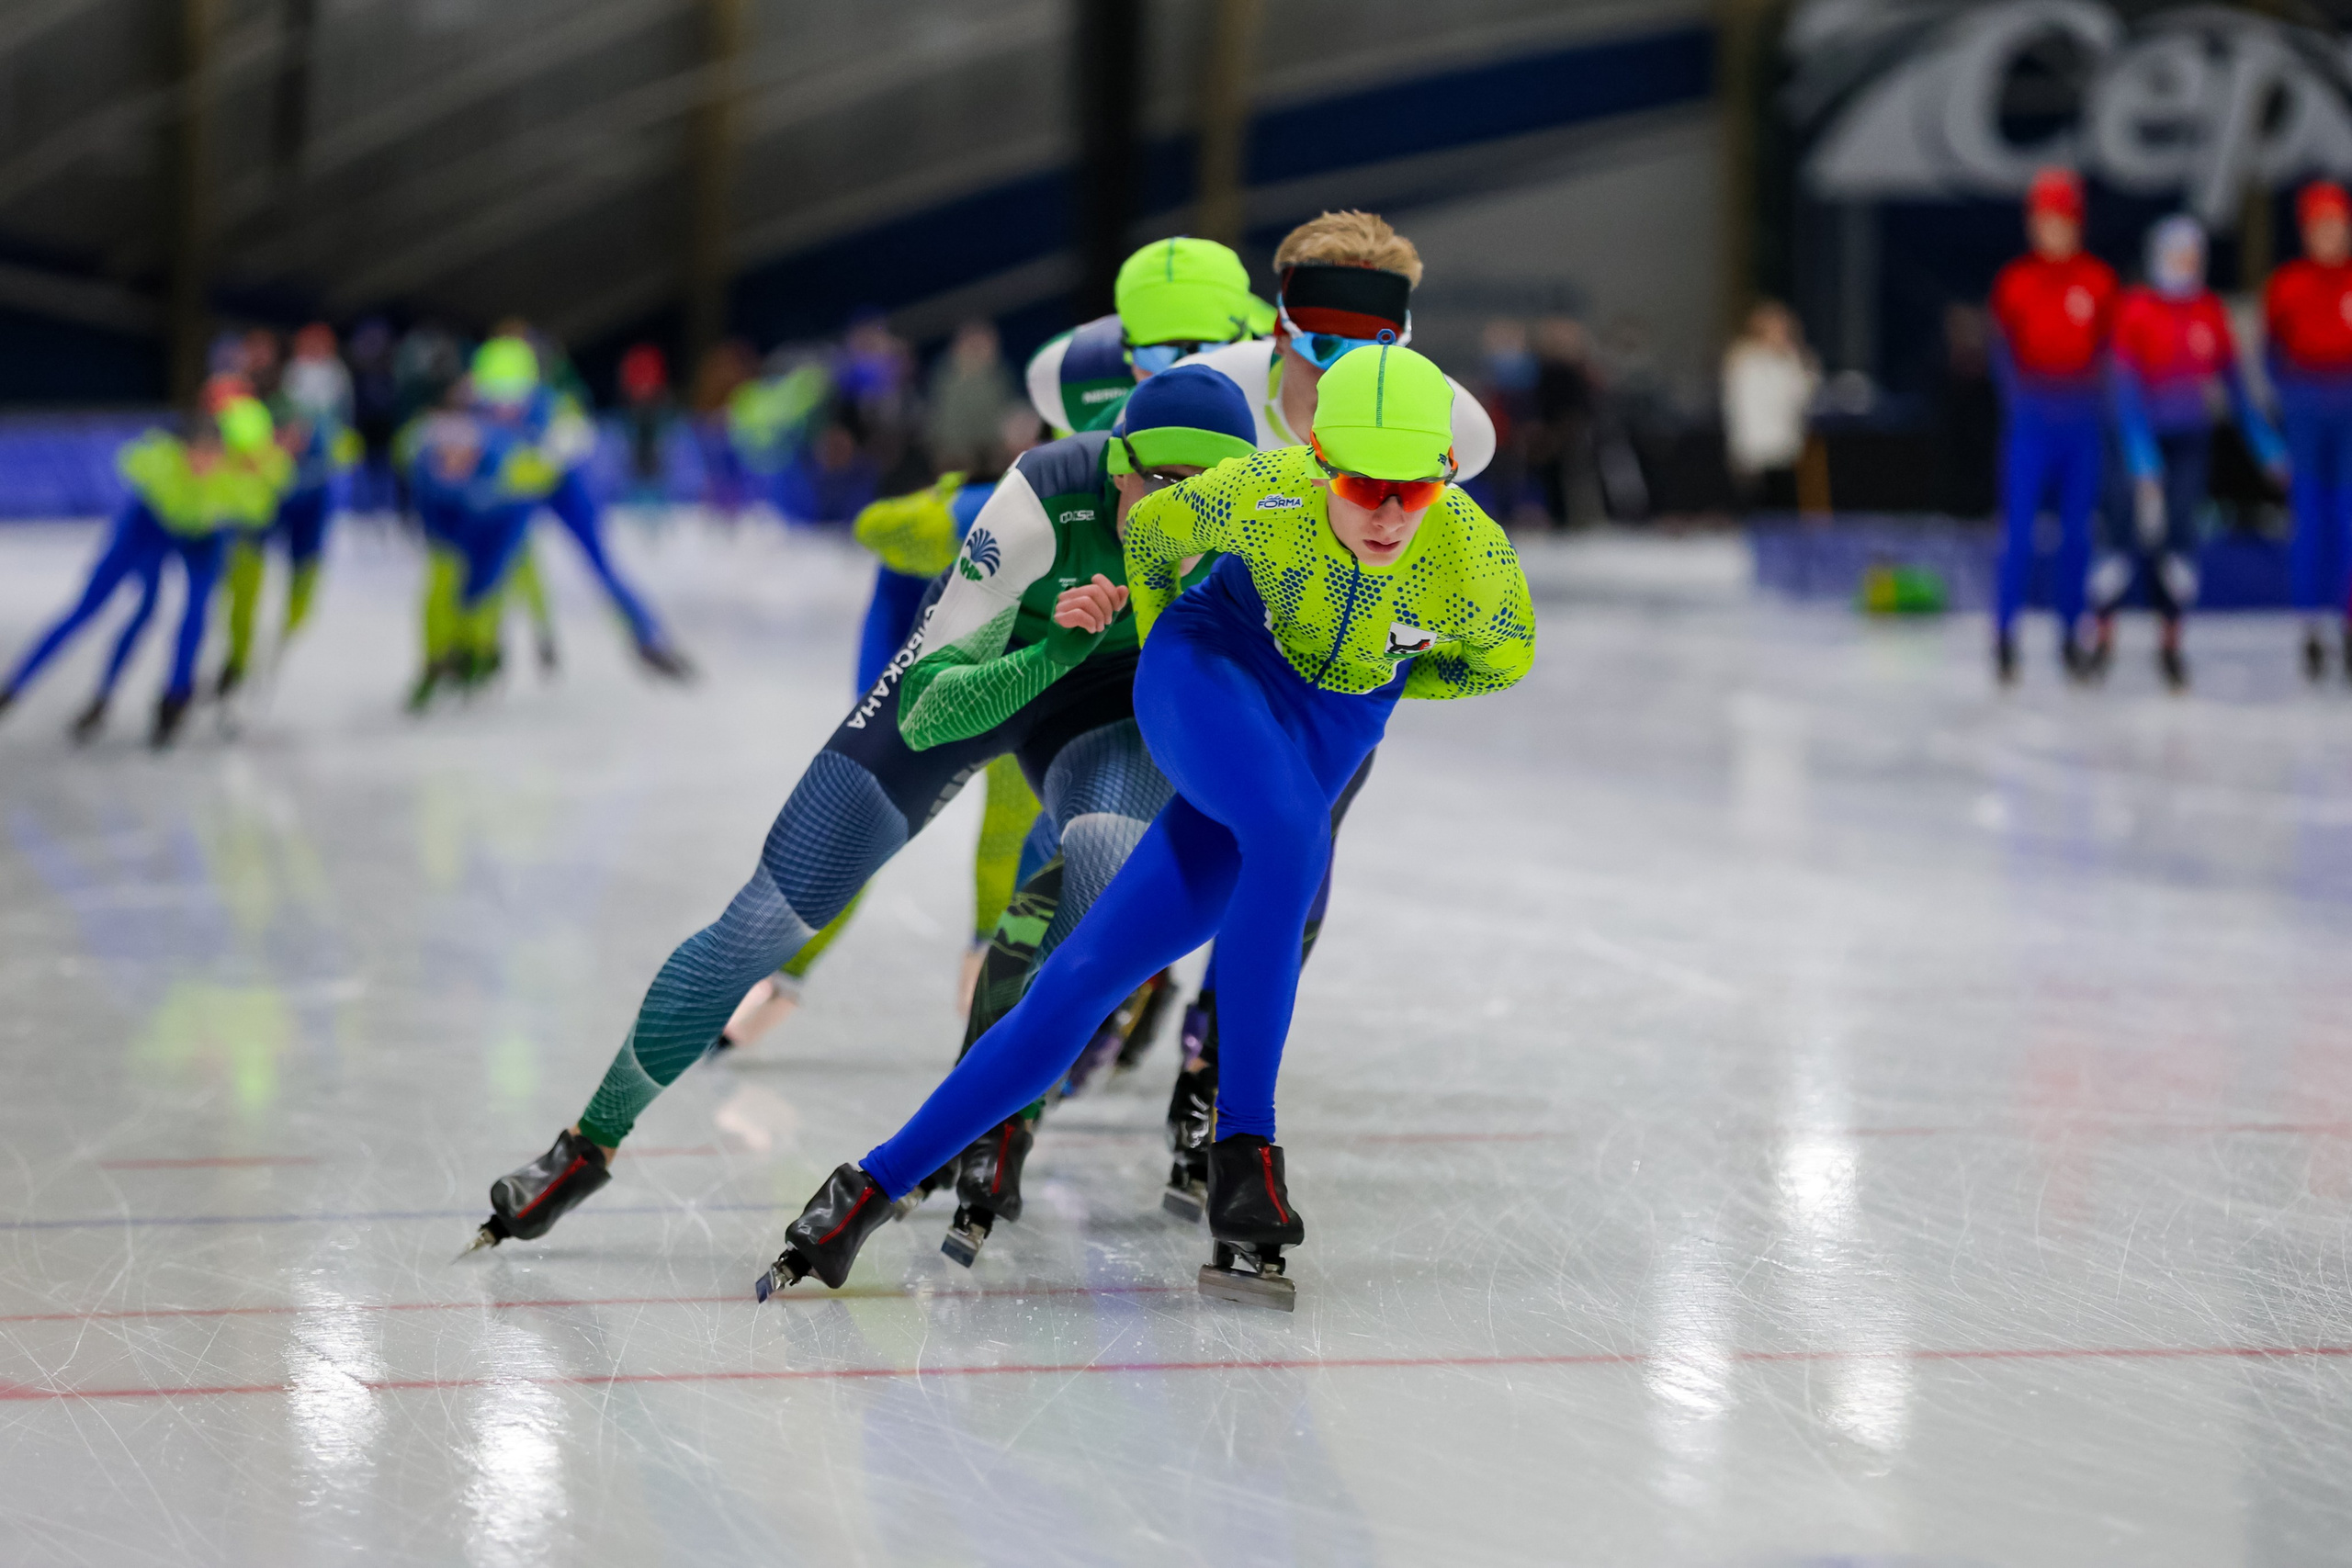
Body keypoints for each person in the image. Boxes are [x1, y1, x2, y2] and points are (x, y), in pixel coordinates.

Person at [751, 344, 1535, 1310]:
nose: (1386, 512)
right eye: (1366, 482)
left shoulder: (1473, 559)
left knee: (1081, 978)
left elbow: (1500, 662)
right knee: (1293, 840)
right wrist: (1166, 629)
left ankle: (861, 1190)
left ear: (1446, 483)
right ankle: (1247, 1151)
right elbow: (1157, 532)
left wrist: (1391, 672)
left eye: (1413, 494)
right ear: (1322, 459)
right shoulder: (1263, 491)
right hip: (1209, 674)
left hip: (1319, 733)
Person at [463, 364, 1263, 1255]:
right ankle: (587, 1144)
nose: (1177, 513)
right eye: (1160, 483)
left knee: (1104, 899)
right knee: (763, 921)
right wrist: (1054, 652)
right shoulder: (1043, 495)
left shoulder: (1256, 532)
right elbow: (932, 708)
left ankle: (1001, 1118)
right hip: (980, 669)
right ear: (1118, 467)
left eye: (1209, 492)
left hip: (1105, 706)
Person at [0, 391, 288, 746]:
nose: (203, 464)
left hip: (200, 540)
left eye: (212, 455)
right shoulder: (163, 462)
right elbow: (133, 458)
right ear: (183, 449)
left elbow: (266, 502)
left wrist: (256, 475)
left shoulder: (237, 480)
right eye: (196, 454)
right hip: (148, 531)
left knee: (196, 611)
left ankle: (175, 695)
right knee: (109, 609)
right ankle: (19, 685)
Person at [2093, 216, 2287, 691]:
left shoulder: (2209, 313)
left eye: (2192, 257)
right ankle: (2102, 639)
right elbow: (2125, 388)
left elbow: (2237, 390)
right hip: (2137, 445)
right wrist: (2140, 456)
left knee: (2180, 542)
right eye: (2176, 255)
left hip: (2190, 443)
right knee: (2122, 538)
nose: (2185, 265)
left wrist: (2267, 446)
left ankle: (2171, 643)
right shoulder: (2135, 309)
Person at [1182, 210, 1496, 479]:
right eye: (1324, 347)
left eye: (1367, 356)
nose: (1340, 379)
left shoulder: (1458, 428)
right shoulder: (1197, 394)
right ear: (1281, 336)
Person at [468, 334, 694, 679]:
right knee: (493, 562)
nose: (505, 408)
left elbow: (577, 437)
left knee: (601, 564)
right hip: (519, 495)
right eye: (496, 397)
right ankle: (472, 643)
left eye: (513, 396)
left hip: (565, 490)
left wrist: (546, 457)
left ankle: (649, 635)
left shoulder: (552, 405)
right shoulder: (479, 417)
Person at [1988, 167, 2120, 683]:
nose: (2051, 230)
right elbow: (2002, 352)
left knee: (2076, 537)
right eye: (2042, 221)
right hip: (2033, 421)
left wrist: (2098, 405)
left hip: (2081, 420)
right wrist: (2021, 401)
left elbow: (2113, 353)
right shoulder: (2015, 281)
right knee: (2018, 533)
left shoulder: (2098, 281)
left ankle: (2071, 635)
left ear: (2077, 223)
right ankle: (2005, 635)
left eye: (2060, 220)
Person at [217, 322, 360, 698]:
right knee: (243, 587)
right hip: (261, 505)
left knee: (301, 588)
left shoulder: (304, 393)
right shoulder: (232, 397)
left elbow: (327, 439)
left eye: (262, 352)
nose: (254, 360)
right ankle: (238, 660)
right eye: (250, 352)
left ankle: (274, 650)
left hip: (307, 501)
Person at [1024, 236, 1258, 436]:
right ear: (1128, 352)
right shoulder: (1071, 384)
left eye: (1204, 353)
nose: (1182, 377)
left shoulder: (1285, 364)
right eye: (1158, 356)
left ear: (1243, 346)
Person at [2264, 179, 2352, 682]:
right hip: (2305, 410)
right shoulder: (2288, 285)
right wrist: (2292, 401)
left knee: (2347, 521)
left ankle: (2348, 622)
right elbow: (2270, 354)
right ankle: (2310, 627)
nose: (2329, 236)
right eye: (2320, 226)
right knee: (2309, 521)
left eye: (2336, 225)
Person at [1721, 300, 1819, 512]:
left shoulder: (1792, 360)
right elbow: (1743, 409)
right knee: (1752, 510)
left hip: (1785, 451)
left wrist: (1797, 360)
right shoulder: (1744, 360)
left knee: (1784, 512)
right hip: (1754, 452)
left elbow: (1802, 397)